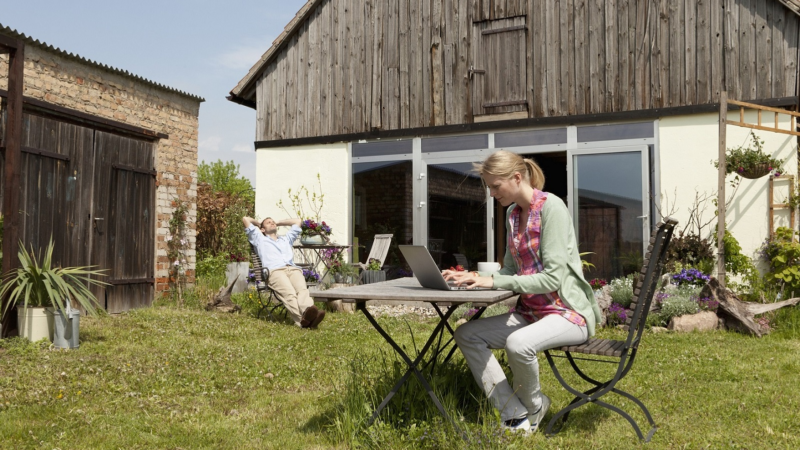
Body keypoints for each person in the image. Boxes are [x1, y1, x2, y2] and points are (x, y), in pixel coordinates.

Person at [444, 150, 601, 434]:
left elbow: (552, 278)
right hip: (531, 313)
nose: (491, 193)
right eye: (489, 187)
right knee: (467, 334)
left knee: (518, 344)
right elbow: (507, 271)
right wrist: (473, 276)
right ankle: (514, 414)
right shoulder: (513, 215)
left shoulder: (551, 207)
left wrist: (493, 283)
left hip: (567, 312)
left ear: (516, 178)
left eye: (495, 186)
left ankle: (535, 405)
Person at [243, 216, 325, 329]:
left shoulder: (286, 239)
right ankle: (305, 320)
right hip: (275, 271)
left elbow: (297, 221)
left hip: (292, 269)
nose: (272, 223)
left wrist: (278, 221)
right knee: (289, 294)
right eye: (268, 223)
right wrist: (258, 223)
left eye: (273, 222)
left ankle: (308, 315)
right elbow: (245, 219)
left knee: (302, 290)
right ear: (262, 229)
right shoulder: (259, 239)